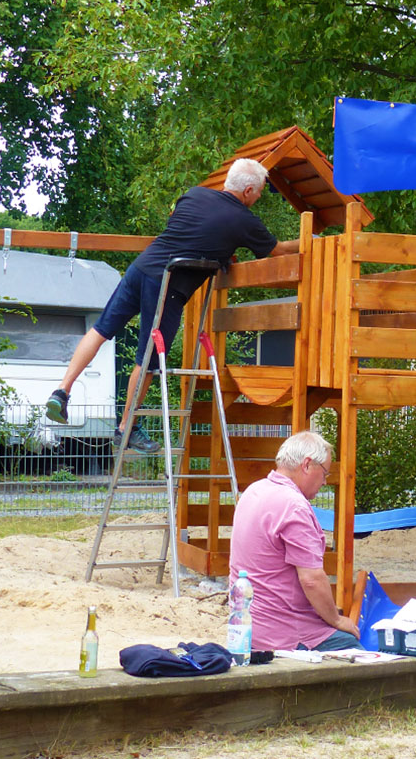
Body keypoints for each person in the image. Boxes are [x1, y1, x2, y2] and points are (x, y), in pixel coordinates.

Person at [45, 158, 296, 452]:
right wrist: (308, 241)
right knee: (147, 360)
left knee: (101, 329)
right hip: (167, 285)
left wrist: (219, 252)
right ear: (249, 190)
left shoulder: (195, 193)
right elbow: (277, 251)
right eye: (260, 192)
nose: (260, 197)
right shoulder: (244, 220)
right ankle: (127, 428)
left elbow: (188, 225)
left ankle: (62, 391)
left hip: (141, 268)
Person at [229, 430, 361, 651]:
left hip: (248, 627)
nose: (325, 482)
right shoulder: (294, 506)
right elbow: (311, 580)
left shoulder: (254, 490)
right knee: (356, 650)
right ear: (307, 465)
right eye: (325, 473)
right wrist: (337, 621)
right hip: (286, 632)